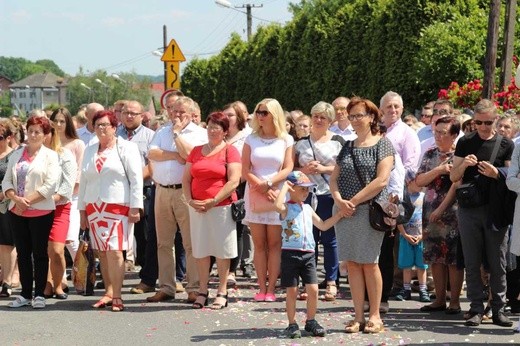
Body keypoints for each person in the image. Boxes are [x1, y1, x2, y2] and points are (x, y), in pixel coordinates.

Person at [330, 97, 394, 334]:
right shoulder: (347, 146)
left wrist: (353, 201)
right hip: (345, 211)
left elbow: (382, 180)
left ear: (371, 117)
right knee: (353, 264)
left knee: (369, 262)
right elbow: (334, 178)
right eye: (352, 115)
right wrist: (339, 200)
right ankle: (358, 316)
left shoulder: (383, 144)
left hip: (369, 210)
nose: (355, 119)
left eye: (359, 115)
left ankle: (375, 315)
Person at [450, 99, 514, 327]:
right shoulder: (465, 142)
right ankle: (476, 308)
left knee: (498, 261)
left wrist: (497, 172)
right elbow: (453, 177)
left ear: (496, 120)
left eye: (489, 122)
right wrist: (464, 165)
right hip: (469, 210)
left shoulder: (506, 144)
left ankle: (498, 308)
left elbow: (512, 176)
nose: (485, 126)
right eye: (480, 122)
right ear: (474, 121)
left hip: (495, 209)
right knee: (472, 260)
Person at [78, 110, 143, 312]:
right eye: (97, 125)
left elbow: (136, 179)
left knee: (115, 251)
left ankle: (117, 295)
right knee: (103, 253)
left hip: (117, 206)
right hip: (94, 207)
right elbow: (84, 181)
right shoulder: (89, 149)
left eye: (105, 125)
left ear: (115, 127)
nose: (101, 128)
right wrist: (82, 211)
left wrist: (135, 206)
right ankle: (107, 292)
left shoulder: (127, 148)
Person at [147, 95, 207, 303]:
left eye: (181, 112)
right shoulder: (161, 131)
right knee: (164, 242)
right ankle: (166, 286)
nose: (177, 114)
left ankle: (193, 287)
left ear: (191, 114)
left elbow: (191, 155)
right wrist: (173, 155)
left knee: (190, 242)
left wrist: (177, 135)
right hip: (162, 190)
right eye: (174, 110)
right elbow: (152, 153)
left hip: (186, 192)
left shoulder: (200, 134)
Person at [274, 171, 344, 338]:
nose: (305, 193)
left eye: (307, 190)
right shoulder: (285, 208)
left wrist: (339, 215)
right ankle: (291, 323)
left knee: (313, 289)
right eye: (302, 189)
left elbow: (323, 225)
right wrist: (284, 188)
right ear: (291, 189)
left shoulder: (307, 208)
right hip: (290, 254)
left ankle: (311, 320)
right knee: (292, 291)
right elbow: (277, 206)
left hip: (309, 254)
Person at [182, 112, 241, 309]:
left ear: (225, 131)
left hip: (221, 207)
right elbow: (186, 179)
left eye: (217, 127)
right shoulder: (197, 151)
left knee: (222, 250)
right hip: (198, 208)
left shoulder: (230, 151)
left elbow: (234, 180)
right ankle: (203, 290)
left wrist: (213, 200)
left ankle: (222, 291)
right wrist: (190, 200)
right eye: (209, 126)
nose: (212, 130)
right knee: (201, 249)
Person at [3, 116, 60, 309]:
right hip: (16, 211)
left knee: (40, 253)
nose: (33, 135)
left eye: (38, 132)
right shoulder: (17, 154)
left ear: (45, 135)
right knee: (23, 253)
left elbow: (51, 185)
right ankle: (25, 293)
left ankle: (39, 294)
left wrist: (27, 201)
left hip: (41, 212)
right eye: (31, 131)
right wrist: (16, 199)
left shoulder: (51, 156)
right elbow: (6, 181)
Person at [242, 98, 294, 302]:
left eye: (264, 112)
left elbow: (288, 167)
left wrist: (270, 183)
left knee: (274, 244)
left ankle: (271, 288)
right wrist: (261, 186)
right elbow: (245, 168)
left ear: (275, 114)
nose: (260, 116)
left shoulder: (286, 139)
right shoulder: (250, 138)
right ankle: (261, 287)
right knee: (259, 243)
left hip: (278, 193)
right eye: (258, 112)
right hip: (256, 192)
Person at [294, 101, 344, 301]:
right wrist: (304, 171)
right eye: (315, 115)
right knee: (309, 240)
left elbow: (344, 168)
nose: (318, 120)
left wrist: (323, 169)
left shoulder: (338, 141)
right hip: (306, 195)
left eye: (323, 117)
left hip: (329, 194)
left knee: (330, 240)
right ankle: (310, 281)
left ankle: (331, 281)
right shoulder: (301, 143)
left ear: (330, 121)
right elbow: (292, 169)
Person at [416, 116, 464, 314]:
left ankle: (454, 301)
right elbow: (419, 180)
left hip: (453, 212)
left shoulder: (460, 155)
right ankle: (439, 299)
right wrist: (438, 170)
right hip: (429, 210)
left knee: (453, 258)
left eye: (443, 132)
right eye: (436, 131)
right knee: (434, 256)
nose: (438, 136)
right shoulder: (429, 154)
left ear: (454, 135)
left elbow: (457, 183)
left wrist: (441, 209)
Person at [117, 100, 155, 274]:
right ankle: (116, 270)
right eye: (126, 113)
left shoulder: (150, 136)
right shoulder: (115, 134)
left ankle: (146, 273)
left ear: (142, 116)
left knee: (144, 234)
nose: (129, 116)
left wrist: (134, 180)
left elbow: (152, 165)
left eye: (133, 113)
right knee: (118, 234)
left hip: (143, 190)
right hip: (118, 192)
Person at [50, 108, 85, 282]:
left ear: (68, 123)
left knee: (70, 239)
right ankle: (59, 278)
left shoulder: (77, 144)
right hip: (48, 198)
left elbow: (80, 172)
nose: (58, 124)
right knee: (54, 242)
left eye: (62, 121)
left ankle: (83, 273)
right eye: (55, 120)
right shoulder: (48, 143)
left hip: (73, 197)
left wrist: (65, 192)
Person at [43, 126, 77, 300]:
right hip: (37, 208)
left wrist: (47, 199)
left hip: (60, 207)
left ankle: (58, 284)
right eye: (33, 131)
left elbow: (67, 186)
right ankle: (49, 283)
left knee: (56, 249)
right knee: (42, 249)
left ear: (52, 134)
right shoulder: (31, 154)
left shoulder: (64, 154)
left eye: (43, 132)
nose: (39, 135)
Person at [222, 102, 250, 284]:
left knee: (237, 228)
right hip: (218, 187)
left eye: (231, 115)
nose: (227, 118)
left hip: (239, 186)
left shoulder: (247, 137)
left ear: (239, 117)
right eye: (224, 115)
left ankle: (232, 269)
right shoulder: (219, 135)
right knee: (220, 228)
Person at [394, 174, 429, 303]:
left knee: (422, 266)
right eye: (417, 182)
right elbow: (399, 219)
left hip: (421, 236)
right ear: (409, 182)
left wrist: (423, 235)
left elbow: (427, 218)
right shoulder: (403, 198)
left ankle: (423, 289)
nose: (421, 184)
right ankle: (406, 289)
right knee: (406, 265)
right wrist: (404, 234)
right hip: (406, 236)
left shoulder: (424, 198)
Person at [0, 119, 17, 297]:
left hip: (6, 203)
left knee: (7, 243)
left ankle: (7, 281)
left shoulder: (15, 155)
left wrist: (4, 193)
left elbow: (17, 179)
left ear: (9, 137)